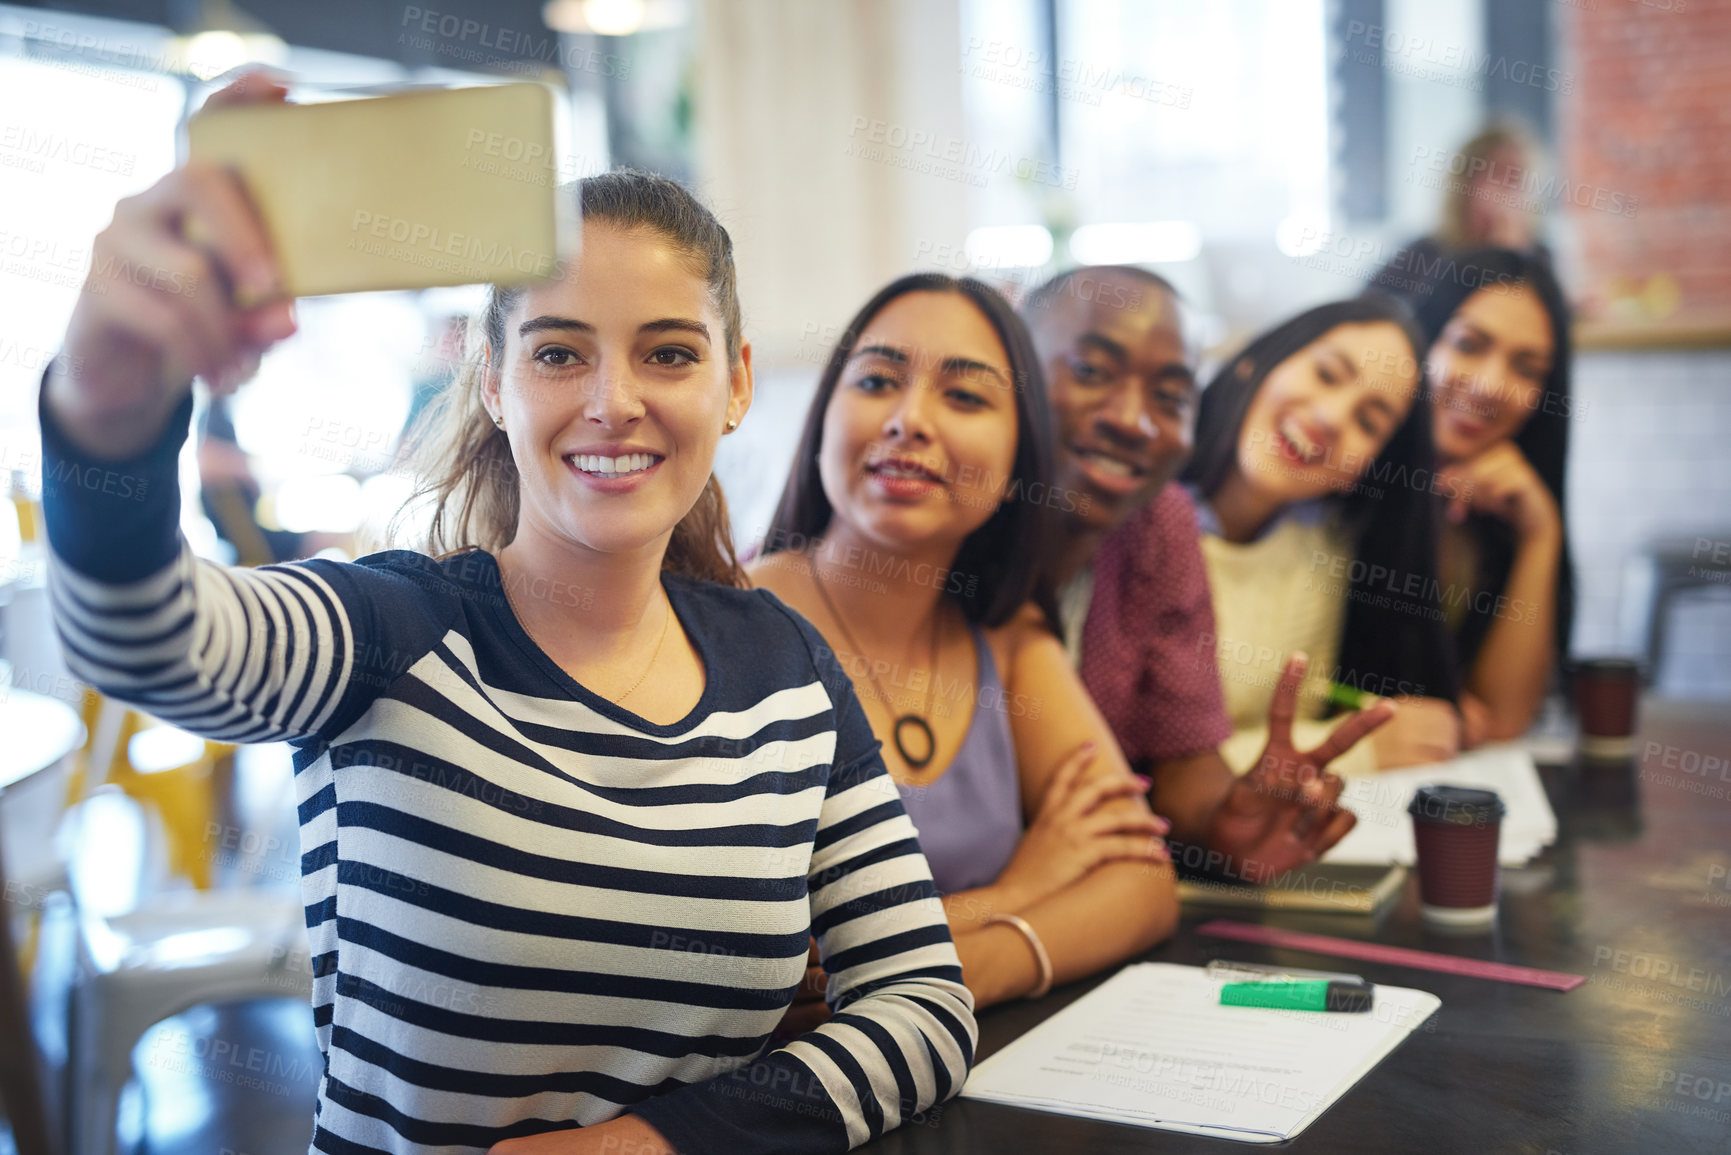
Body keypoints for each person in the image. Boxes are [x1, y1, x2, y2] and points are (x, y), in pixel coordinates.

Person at [39, 75, 972, 1155]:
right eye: (559, 351)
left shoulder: (787, 671)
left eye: (668, 351)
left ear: (737, 383)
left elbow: (922, 1008)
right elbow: (143, 642)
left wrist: (645, 1147)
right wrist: (107, 410)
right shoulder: (387, 635)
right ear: (493, 382)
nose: (611, 401)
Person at [748, 273, 1176, 1020]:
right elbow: (780, 977)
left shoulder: (1007, 641)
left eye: (965, 396)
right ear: (824, 419)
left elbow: (1141, 881)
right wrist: (1025, 889)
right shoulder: (730, 625)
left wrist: (967, 966)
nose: (909, 419)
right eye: (878, 380)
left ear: (1019, 464)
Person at [1020, 267, 1393, 883]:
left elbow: (1183, 762)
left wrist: (1230, 822)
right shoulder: (943, 527)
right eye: (1090, 372)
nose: (1134, 420)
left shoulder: (1159, 523)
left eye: (1169, 398)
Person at [1179, 297, 1464, 775]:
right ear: (1255, 363)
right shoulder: (1134, 521)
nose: (1331, 417)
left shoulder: (1324, 554)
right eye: (1327, 375)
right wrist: (1355, 749)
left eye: (1369, 422)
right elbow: (1140, 765)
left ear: (1362, 471)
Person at [1414, 249, 1575, 746]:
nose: (1490, 386)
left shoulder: (1501, 512)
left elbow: (1502, 723)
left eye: (1526, 369)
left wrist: (1541, 533)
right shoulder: (1345, 481)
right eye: (1467, 344)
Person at [1367, 123, 1552, 309]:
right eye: (1495, 175)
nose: (1505, 192)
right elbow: (1371, 309)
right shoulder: (1425, 254)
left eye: (1516, 179)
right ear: (1464, 184)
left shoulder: (1537, 257)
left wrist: (1511, 258)